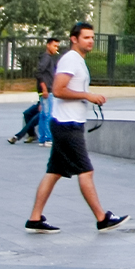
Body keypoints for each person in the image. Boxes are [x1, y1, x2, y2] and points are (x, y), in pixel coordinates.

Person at [26, 23, 127, 233]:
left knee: (53, 172)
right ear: (74, 39)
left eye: (92, 37)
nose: (90, 41)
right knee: (86, 171)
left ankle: (35, 219)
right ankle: (102, 218)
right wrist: (87, 96)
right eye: (86, 37)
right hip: (67, 125)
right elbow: (58, 90)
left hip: (68, 123)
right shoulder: (71, 59)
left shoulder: (77, 60)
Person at [10, 38, 62, 145]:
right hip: (47, 90)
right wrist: (44, 88)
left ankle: (42, 139)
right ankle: (48, 138)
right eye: (54, 46)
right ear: (48, 45)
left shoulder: (47, 58)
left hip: (45, 90)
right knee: (48, 115)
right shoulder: (46, 58)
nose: (56, 48)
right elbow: (38, 73)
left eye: (57, 46)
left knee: (43, 115)